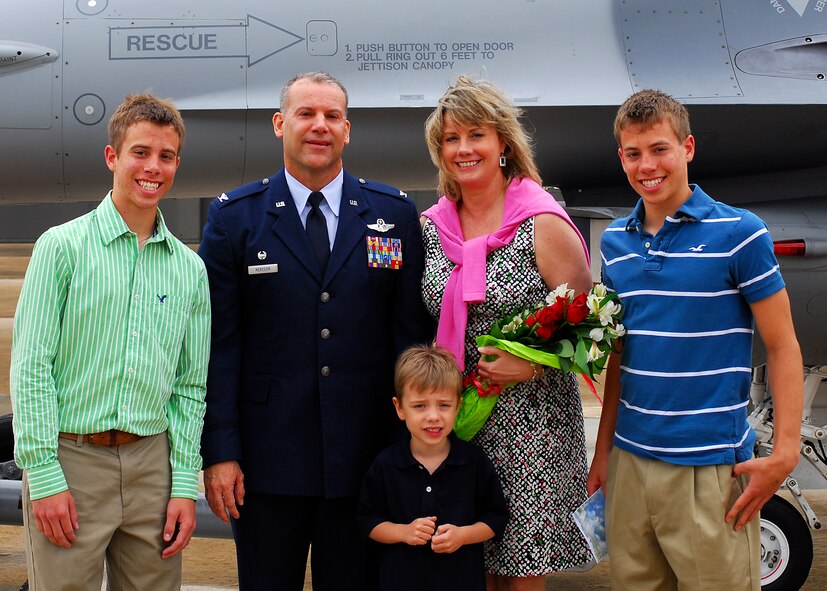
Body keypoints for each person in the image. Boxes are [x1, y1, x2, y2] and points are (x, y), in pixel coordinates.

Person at [198, 71, 432, 590]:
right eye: (306, 114)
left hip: (364, 463)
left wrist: (409, 451)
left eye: (332, 116)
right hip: (264, 465)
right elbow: (218, 347)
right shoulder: (235, 219)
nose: (319, 126)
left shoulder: (392, 215)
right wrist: (220, 452)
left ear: (347, 129)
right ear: (280, 124)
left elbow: (408, 345)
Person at [587, 89, 803, 590]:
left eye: (660, 148)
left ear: (688, 148)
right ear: (621, 158)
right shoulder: (616, 244)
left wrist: (785, 452)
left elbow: (783, 345)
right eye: (634, 154)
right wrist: (603, 454)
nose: (648, 165)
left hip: (708, 469)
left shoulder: (741, 233)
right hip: (630, 463)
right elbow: (621, 358)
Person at [10, 94, 211, 590]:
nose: (152, 167)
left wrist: (184, 484)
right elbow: (31, 366)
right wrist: (45, 474)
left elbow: (189, 387)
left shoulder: (190, 270)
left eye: (165, 157)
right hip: (73, 460)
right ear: (112, 157)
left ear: (177, 164)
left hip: (153, 467)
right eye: (140, 152)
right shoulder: (61, 248)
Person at [420, 75, 594, 591]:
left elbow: (593, 325)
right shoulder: (431, 227)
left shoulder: (541, 221)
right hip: (458, 423)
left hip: (532, 428)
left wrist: (534, 362)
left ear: (503, 144)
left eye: (476, 134)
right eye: (451, 139)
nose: (463, 148)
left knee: (519, 576)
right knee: (471, 567)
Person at [358, 344, 508, 591]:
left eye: (444, 405)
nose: (433, 416)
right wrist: (404, 532)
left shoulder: (474, 462)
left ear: (458, 406)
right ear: (399, 408)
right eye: (420, 406)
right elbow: (368, 521)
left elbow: (495, 518)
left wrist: (463, 536)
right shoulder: (386, 464)